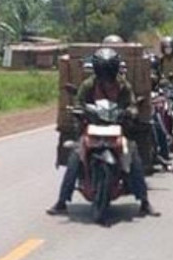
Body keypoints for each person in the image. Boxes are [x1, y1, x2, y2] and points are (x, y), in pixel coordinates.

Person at [46, 48, 159, 217]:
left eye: (109, 70)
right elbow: (79, 101)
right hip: (92, 127)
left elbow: (132, 103)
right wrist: (79, 110)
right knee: (75, 157)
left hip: (117, 128)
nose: (106, 75)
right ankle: (62, 201)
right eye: (103, 70)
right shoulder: (88, 85)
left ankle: (144, 202)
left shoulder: (123, 85)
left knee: (133, 155)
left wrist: (131, 111)